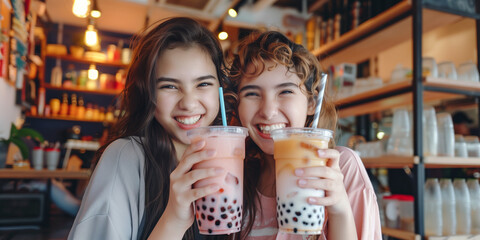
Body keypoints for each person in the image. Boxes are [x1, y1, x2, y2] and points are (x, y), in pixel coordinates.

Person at [68, 17, 229, 240]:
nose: (189, 103)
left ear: (220, 88)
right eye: (170, 86)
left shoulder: (234, 160)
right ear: (148, 93)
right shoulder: (125, 158)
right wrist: (173, 220)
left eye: (203, 84)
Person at [227, 31, 382, 239]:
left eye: (285, 92)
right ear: (237, 105)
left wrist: (340, 210)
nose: (268, 111)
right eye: (252, 94)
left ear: (311, 103)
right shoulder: (237, 177)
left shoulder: (341, 168)